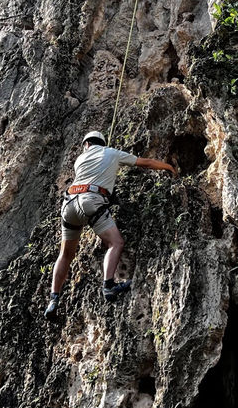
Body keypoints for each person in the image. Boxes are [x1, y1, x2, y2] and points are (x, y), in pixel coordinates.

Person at [44, 130, 176, 321]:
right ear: (101, 143)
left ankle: (54, 299)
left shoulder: (80, 159)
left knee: (65, 254)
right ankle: (108, 285)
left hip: (69, 205)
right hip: (91, 201)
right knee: (116, 243)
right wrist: (168, 167)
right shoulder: (112, 152)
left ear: (87, 144)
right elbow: (145, 162)